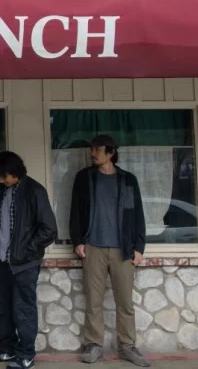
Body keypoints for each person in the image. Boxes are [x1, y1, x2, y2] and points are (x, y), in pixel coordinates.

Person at [69, 135, 149, 367]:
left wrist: (139, 246)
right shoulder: (84, 178)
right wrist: (78, 241)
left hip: (123, 249)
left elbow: (138, 215)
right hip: (92, 246)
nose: (93, 153)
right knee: (93, 301)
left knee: (125, 301)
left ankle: (127, 346)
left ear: (111, 152)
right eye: (92, 149)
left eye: (97, 149)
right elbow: (75, 212)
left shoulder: (128, 180)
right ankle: (93, 345)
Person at [0, 152, 57, 369]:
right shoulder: (4, 191)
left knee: (23, 309)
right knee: (1, 307)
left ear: (14, 172)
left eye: (3, 176)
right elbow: (3, 219)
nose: (0, 180)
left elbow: (49, 230)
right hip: (2, 259)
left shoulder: (35, 191)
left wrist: (25, 251)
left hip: (24, 263)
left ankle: (25, 354)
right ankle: (7, 349)